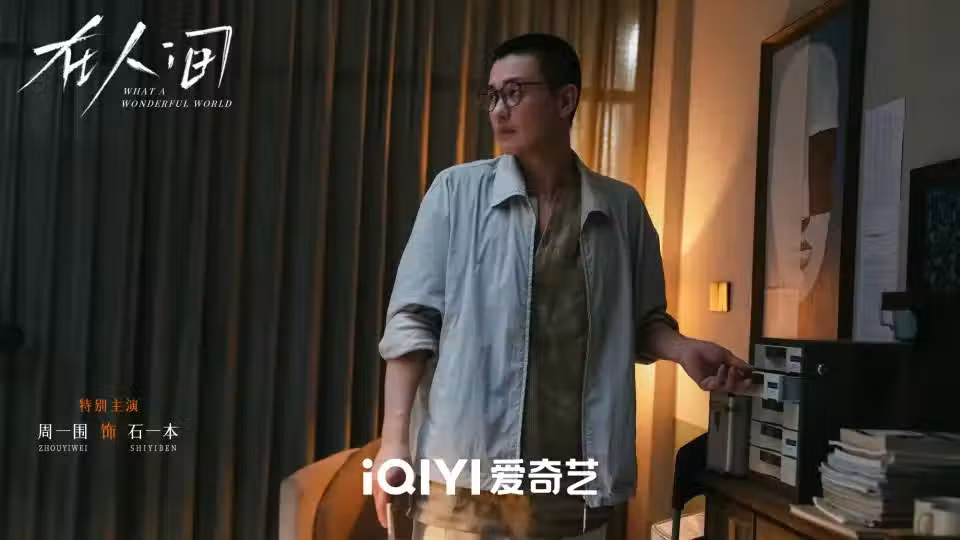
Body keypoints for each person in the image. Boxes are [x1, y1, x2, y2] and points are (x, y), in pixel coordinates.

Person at [374, 33, 753, 540]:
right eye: (492, 95)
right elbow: (412, 321)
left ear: (565, 100)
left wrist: (683, 349)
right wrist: (394, 439)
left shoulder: (621, 209)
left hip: (574, 488)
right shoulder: (456, 193)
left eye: (514, 92)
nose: (498, 110)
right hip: (465, 482)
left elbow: (643, 322)